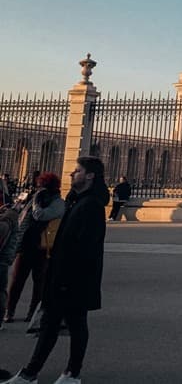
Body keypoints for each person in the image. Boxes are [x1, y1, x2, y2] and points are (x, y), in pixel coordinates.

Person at [2, 155, 109, 384]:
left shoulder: (91, 206)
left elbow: (87, 249)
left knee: (74, 325)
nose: (72, 173)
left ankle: (69, 373)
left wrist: (66, 279)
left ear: (90, 175)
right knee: (52, 325)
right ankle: (34, 373)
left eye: (77, 170)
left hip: (72, 279)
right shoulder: (76, 201)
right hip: (61, 275)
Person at [4, 173, 65, 324]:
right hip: (26, 245)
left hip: (43, 247)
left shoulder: (58, 203)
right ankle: (9, 311)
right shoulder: (35, 198)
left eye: (42, 186)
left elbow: (40, 216)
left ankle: (32, 312)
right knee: (16, 280)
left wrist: (36, 203)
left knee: (39, 283)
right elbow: (23, 218)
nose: (39, 189)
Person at [0, 201, 20, 332]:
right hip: (4, 259)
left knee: (1, 290)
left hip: (1, 260)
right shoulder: (9, 218)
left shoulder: (6, 220)